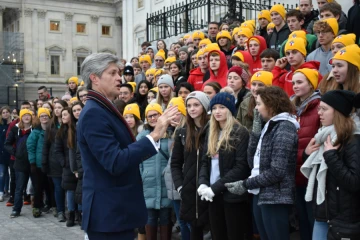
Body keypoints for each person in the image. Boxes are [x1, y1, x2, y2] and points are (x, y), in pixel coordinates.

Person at [77, 53, 178, 239]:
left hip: (116, 212)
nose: (119, 78)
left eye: (119, 72)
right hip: (109, 214)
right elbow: (115, 161)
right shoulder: (94, 113)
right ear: (94, 78)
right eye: (113, 73)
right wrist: (155, 135)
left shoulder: (102, 108)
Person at [225, 86, 299, 240]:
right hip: (261, 193)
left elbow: (277, 171)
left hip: (276, 196)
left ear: (271, 104)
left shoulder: (284, 127)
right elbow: (252, 162)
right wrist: (256, 132)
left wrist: (245, 184)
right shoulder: (269, 126)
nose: (256, 109)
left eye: (259, 104)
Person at [301, 90, 360, 239]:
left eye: (324, 109)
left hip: (344, 221)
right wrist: (306, 154)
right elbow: (319, 174)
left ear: (338, 112)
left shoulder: (353, 140)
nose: (319, 112)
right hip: (323, 214)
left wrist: (331, 156)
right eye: (319, 108)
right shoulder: (323, 136)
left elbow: (354, 182)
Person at [198, 92, 250, 240]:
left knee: (234, 234)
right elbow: (204, 162)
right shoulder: (211, 131)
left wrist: (215, 188)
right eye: (214, 108)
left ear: (230, 110)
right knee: (217, 235)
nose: (217, 111)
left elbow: (241, 167)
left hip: (231, 195)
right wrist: (203, 183)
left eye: (222, 107)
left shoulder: (240, 132)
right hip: (212, 195)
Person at [171, 91, 210, 240]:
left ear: (205, 106)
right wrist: (180, 186)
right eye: (189, 106)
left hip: (210, 190)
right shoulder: (182, 132)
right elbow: (175, 164)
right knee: (194, 232)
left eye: (196, 105)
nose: (192, 109)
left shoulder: (214, 130)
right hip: (189, 193)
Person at [290, 69, 321, 240]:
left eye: (300, 82)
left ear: (311, 84)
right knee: (301, 219)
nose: (295, 86)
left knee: (312, 218)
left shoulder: (319, 107)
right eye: (293, 83)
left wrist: (304, 156)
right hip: (296, 172)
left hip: (312, 173)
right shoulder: (292, 108)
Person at [137, 103, 173, 240]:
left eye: (155, 115)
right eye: (149, 116)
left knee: (165, 217)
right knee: (150, 217)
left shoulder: (169, 134)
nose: (152, 118)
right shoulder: (142, 136)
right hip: (148, 183)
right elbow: (137, 160)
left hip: (165, 182)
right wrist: (141, 178)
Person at [42, 100, 68, 222]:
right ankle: (60, 210)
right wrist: (44, 162)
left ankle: (71, 211)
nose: (57, 110)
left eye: (60, 107)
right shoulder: (50, 125)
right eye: (55, 107)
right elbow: (46, 145)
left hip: (68, 159)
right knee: (58, 187)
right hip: (54, 161)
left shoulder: (68, 123)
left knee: (69, 187)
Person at [4, 109, 34, 217]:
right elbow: (7, 144)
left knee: (36, 186)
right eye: (24, 115)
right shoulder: (15, 129)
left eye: (28, 115)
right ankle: (16, 209)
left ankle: (37, 207)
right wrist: (15, 152)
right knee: (19, 187)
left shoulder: (35, 129)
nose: (26, 117)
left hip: (33, 161)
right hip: (20, 162)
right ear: (21, 117)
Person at [27, 108, 52, 218]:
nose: (44, 117)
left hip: (50, 163)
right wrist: (32, 162)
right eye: (42, 116)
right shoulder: (35, 132)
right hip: (38, 164)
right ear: (39, 118)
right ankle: (37, 207)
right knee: (38, 187)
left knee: (49, 186)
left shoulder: (52, 130)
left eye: (46, 115)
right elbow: (31, 148)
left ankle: (50, 204)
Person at [0, 106, 11, 202]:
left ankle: (7, 190)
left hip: (11, 153)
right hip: (2, 153)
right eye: (3, 112)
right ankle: (1, 192)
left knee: (9, 174)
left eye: (7, 112)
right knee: (2, 173)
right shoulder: (1, 126)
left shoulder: (12, 125)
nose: (5, 114)